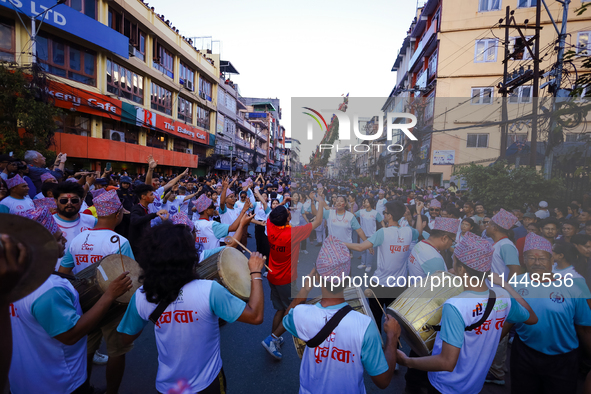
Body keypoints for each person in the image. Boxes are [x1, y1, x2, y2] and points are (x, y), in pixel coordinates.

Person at [117, 222, 265, 394]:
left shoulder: (142, 296)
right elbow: (255, 316)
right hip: (208, 384)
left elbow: (125, 339)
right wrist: (255, 272)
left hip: (168, 388)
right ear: (189, 255)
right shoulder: (208, 290)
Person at [8, 207, 132, 394]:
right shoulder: (48, 289)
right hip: (60, 382)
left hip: (21, 381)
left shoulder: (10, 280)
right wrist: (109, 295)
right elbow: (71, 335)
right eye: (58, 238)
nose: (64, 239)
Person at [397, 232, 537, 394]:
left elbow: (447, 362)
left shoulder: (456, 305)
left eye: (455, 262)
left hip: (446, 386)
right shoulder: (504, 296)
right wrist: (506, 286)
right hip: (474, 384)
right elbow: (531, 318)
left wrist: (407, 361)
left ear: (462, 269)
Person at [283, 236, 401, 393]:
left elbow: (286, 318)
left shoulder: (300, 314)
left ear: (317, 277)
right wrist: (392, 337)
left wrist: (305, 289)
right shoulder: (365, 326)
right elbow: (383, 380)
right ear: (349, 277)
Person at [58, 190, 135, 394]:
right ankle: (111, 392)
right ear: (117, 214)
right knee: (116, 351)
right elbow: (130, 277)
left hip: (83, 303)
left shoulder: (78, 239)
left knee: (86, 349)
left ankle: (84, 388)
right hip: (113, 304)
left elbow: (63, 273)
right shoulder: (119, 242)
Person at [508, 232, 591, 394]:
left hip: (563, 359)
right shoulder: (516, 283)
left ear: (552, 261)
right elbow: (509, 319)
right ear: (524, 260)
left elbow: (585, 328)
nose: (537, 262)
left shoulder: (574, 287)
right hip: (524, 352)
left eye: (543, 258)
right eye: (531, 257)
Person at [261, 193, 326, 360]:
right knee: (293, 310)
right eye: (288, 212)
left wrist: (283, 203)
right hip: (287, 280)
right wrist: (320, 203)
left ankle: (273, 338)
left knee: (280, 309)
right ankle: (273, 338)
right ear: (288, 218)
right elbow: (318, 222)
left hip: (273, 276)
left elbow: (271, 214)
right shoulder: (292, 233)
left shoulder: (271, 225)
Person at [344, 201, 418, 332]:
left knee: (375, 318)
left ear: (389, 216)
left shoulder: (383, 232)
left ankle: (377, 344)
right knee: (395, 320)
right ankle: (394, 346)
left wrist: (339, 242)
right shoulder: (409, 231)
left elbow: (361, 247)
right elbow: (419, 231)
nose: (383, 214)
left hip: (379, 284)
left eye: (385, 212)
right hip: (399, 285)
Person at [52, 182, 97, 270]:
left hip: (87, 277)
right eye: (64, 200)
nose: (69, 203)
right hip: (58, 278)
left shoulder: (92, 221)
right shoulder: (48, 223)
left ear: (82, 200)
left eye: (74, 200)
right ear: (55, 201)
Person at [407, 217, 460, 282]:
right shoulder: (433, 257)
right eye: (452, 241)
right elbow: (442, 286)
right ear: (445, 238)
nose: (452, 244)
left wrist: (447, 273)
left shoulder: (420, 244)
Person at [128, 184, 169, 253]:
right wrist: (155, 214)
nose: (154, 197)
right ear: (143, 197)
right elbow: (134, 220)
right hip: (137, 247)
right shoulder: (136, 209)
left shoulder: (146, 208)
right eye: (151, 195)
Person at [355, 198, 383, 273]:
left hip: (372, 235)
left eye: (367, 202)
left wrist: (385, 230)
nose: (365, 203)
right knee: (363, 250)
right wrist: (351, 207)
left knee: (370, 251)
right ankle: (363, 263)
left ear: (370, 203)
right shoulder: (361, 212)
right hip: (363, 234)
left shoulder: (375, 213)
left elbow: (381, 221)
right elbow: (353, 215)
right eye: (364, 202)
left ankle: (368, 265)